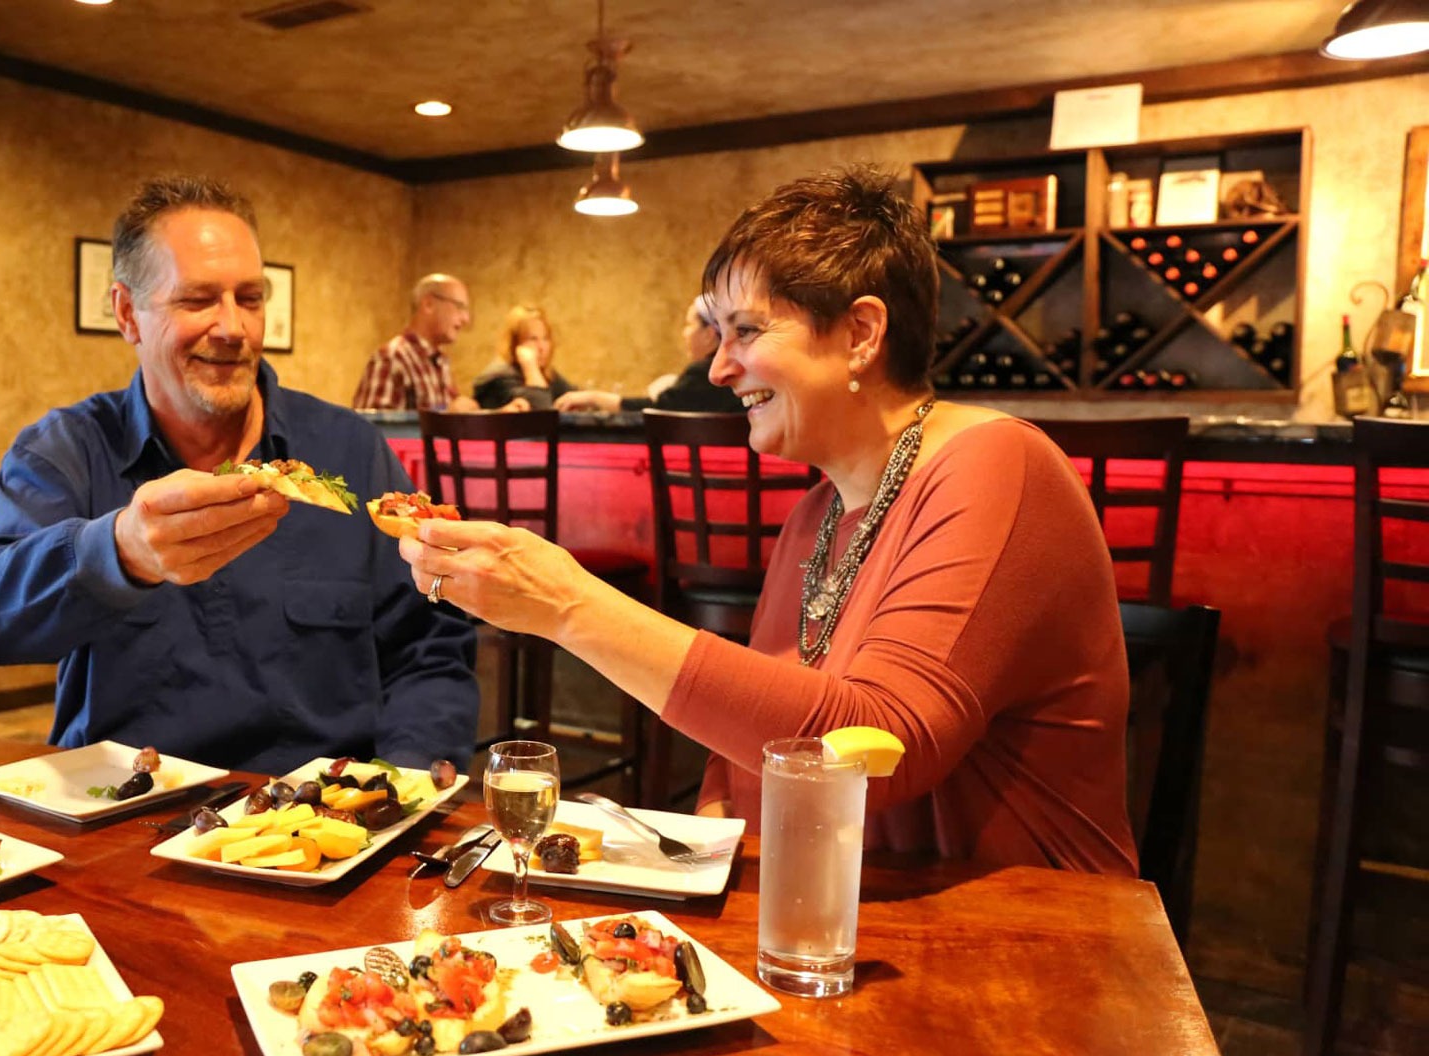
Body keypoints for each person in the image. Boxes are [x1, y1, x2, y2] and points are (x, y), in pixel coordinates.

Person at [395, 165, 1137, 875]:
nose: (719, 369)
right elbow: (746, 745)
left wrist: (570, 605)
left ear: (860, 335)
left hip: (1026, 946)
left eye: (747, 331)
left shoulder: (996, 466)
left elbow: (871, 756)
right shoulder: (816, 514)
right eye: (718, 335)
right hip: (850, 922)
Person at [0, 176, 479, 773]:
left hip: (326, 821)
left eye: (249, 298)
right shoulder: (66, 450)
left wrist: (407, 778)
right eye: (197, 300)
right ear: (128, 314)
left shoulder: (349, 450)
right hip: (126, 815)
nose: (233, 328)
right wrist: (121, 550)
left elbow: (430, 644)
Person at [554, 295, 743, 414]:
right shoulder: (735, 368)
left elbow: (655, 410)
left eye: (689, 324)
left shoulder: (705, 373)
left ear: (709, 334)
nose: (684, 333)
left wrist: (593, 398)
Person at [352, 274, 478, 412]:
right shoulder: (392, 358)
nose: (466, 319)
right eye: (459, 307)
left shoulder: (440, 362)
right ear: (428, 304)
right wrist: (447, 417)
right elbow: (371, 429)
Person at [472, 305, 577, 411]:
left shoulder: (547, 373)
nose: (542, 347)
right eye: (533, 339)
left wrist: (590, 398)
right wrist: (531, 368)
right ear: (515, 343)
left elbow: (573, 398)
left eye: (545, 338)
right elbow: (541, 414)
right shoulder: (500, 376)